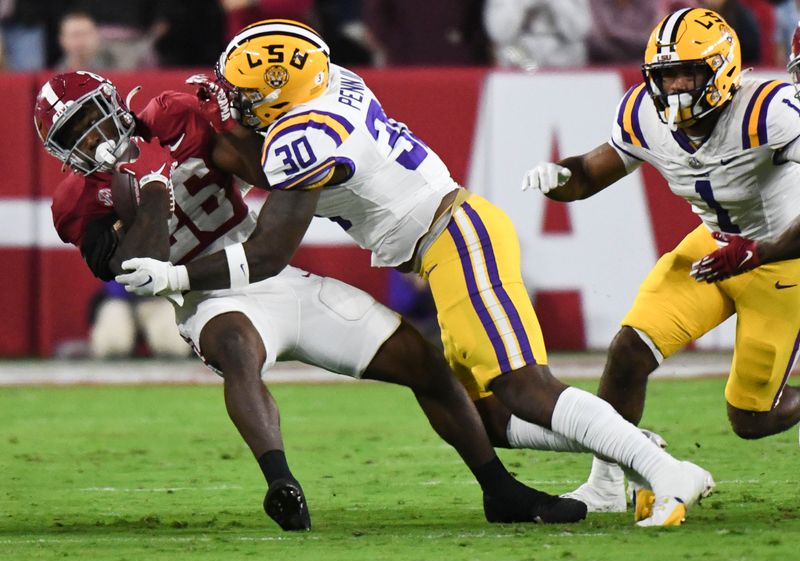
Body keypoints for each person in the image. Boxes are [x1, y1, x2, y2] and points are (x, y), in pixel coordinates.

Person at [117, 19, 714, 527]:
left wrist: (174, 277)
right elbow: (264, 156)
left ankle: (667, 472)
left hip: (455, 235)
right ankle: (626, 459)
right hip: (440, 241)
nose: (232, 101)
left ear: (282, 95)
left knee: (523, 387)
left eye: (244, 93)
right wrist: (215, 127)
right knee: (487, 416)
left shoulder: (305, 137)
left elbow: (269, 251)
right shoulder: (330, 89)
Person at [35, 70, 589, 531]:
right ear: (61, 149)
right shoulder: (78, 199)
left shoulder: (169, 118)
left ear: (110, 100)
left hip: (271, 273)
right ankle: (282, 483)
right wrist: (151, 190)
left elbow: (265, 172)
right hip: (205, 296)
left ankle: (500, 491)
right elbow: (136, 269)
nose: (92, 134)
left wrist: (220, 127)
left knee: (422, 360)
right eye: (75, 131)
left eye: (91, 116)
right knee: (237, 350)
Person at [521, 7, 800, 513]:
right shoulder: (643, 114)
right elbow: (590, 172)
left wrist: (762, 250)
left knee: (752, 419)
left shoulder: (771, 111)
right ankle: (605, 483)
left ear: (721, 70)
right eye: (664, 75)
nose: (673, 88)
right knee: (628, 351)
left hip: (782, 262)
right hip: (714, 249)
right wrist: (561, 177)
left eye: (686, 73)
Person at [483, 0, 591, 70]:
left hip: (562, 49)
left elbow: (580, 31)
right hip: (519, 50)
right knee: (507, 50)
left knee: (576, 48)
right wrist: (522, 4)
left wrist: (557, 3)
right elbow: (498, 33)